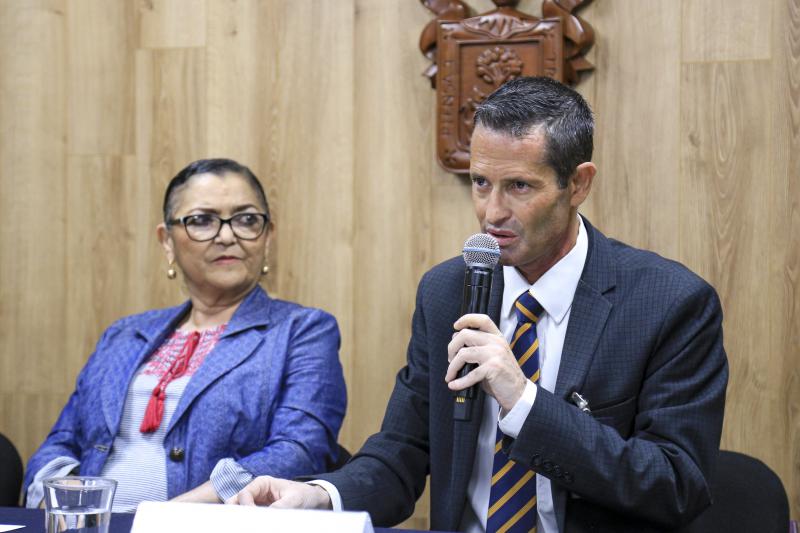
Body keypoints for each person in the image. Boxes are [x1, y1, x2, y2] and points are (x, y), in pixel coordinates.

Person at [228, 77, 728, 532]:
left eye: (520, 186)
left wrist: (523, 401)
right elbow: (404, 450)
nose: (492, 213)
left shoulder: (669, 302)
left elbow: (676, 485)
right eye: (481, 182)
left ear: (578, 184)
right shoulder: (447, 290)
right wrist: (319, 496)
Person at [24, 158, 347, 512]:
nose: (228, 236)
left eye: (246, 220)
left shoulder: (302, 331)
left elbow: (299, 450)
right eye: (202, 220)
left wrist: (165, 516)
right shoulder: (124, 334)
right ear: (167, 241)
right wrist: (73, 507)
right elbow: (61, 442)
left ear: (267, 236)